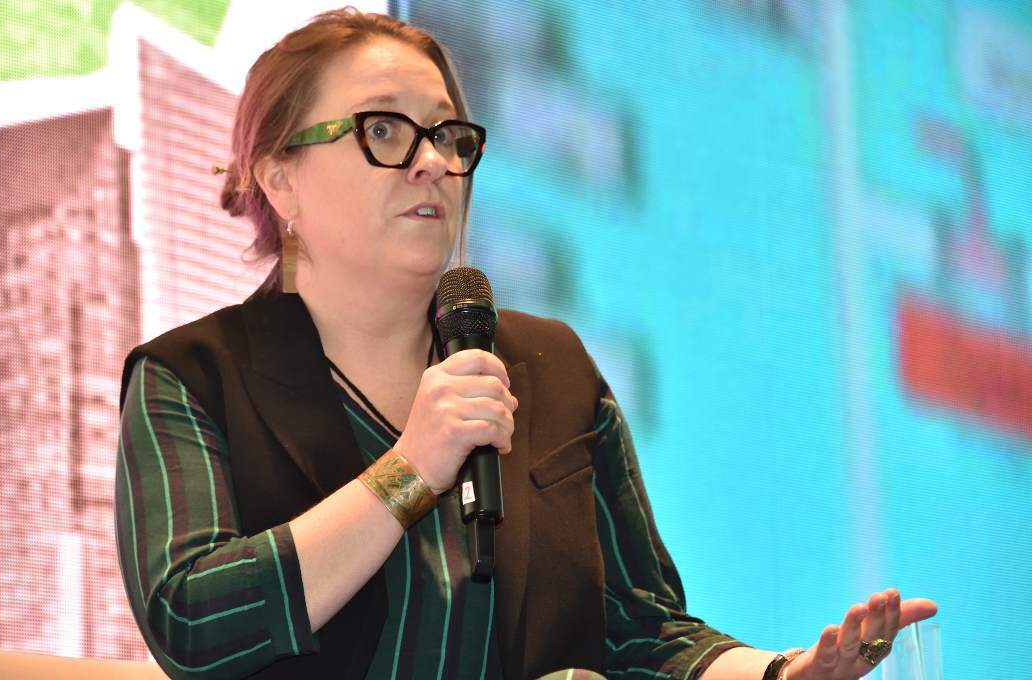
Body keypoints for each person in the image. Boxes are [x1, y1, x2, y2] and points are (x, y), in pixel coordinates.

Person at [114, 9, 936, 680]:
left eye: (449, 136)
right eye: (385, 130)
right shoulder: (191, 378)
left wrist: (782, 675)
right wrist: (409, 470)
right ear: (279, 177)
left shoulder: (549, 367)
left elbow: (643, 632)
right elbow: (192, 620)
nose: (432, 162)